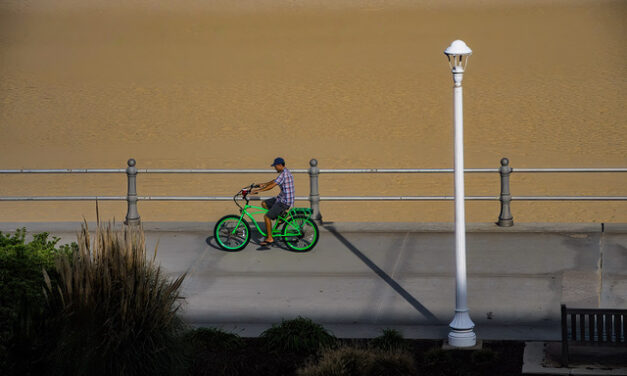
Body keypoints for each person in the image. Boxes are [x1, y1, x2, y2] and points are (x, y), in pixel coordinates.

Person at [251, 157, 294, 246]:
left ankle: (270, 238)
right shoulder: (284, 172)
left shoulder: (284, 174)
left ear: (279, 165)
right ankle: (279, 217)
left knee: (266, 217)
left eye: (275, 166)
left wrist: (259, 191)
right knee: (264, 203)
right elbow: (274, 181)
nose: (274, 168)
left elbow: (272, 186)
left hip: (284, 202)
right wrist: (264, 184)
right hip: (281, 198)